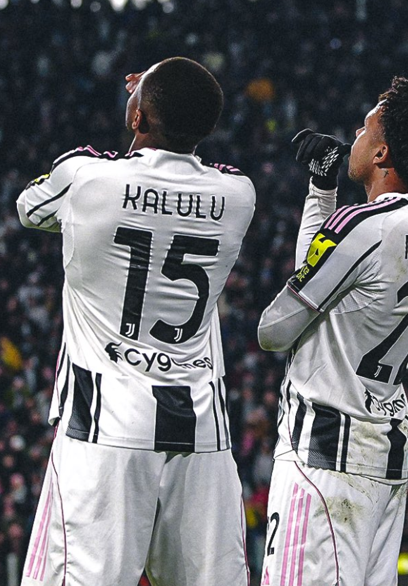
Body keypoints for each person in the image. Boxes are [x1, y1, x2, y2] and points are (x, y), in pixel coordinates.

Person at [16, 57, 256, 586]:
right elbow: (185, 128)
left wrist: (145, 101)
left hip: (105, 427)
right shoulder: (239, 194)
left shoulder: (86, 177)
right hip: (200, 431)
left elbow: (29, 209)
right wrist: (160, 94)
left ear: (136, 117)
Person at [256, 77, 408, 585]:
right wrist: (321, 190)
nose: (355, 133)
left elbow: (274, 331)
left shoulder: (361, 224)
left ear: (381, 152)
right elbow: (319, 276)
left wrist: (326, 204)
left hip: (324, 452)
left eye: (365, 127)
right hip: (385, 453)